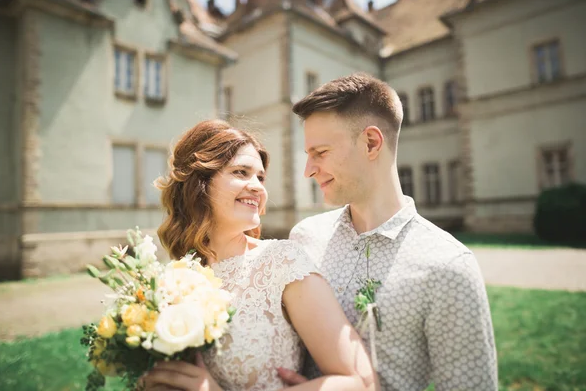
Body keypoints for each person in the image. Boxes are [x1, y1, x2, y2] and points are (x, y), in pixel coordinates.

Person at [278, 73, 498, 390]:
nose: (308, 170)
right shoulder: (304, 238)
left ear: (371, 142)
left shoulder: (449, 267)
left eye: (320, 153)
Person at [140, 119, 379, 391]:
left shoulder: (283, 262)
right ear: (199, 183)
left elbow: (361, 384)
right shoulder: (175, 279)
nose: (258, 187)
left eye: (261, 177)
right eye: (241, 172)